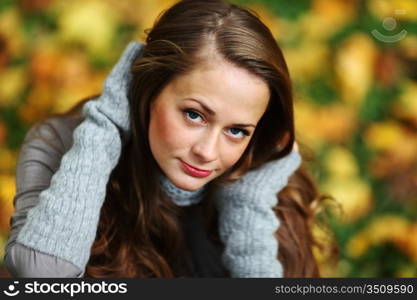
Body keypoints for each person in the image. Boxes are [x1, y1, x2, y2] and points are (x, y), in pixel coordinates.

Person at [4, 0, 334, 278]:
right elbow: (41, 275)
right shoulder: (62, 144)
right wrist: (104, 128)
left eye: (236, 131)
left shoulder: (262, 175)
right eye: (194, 115)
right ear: (147, 92)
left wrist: (246, 207)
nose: (207, 152)